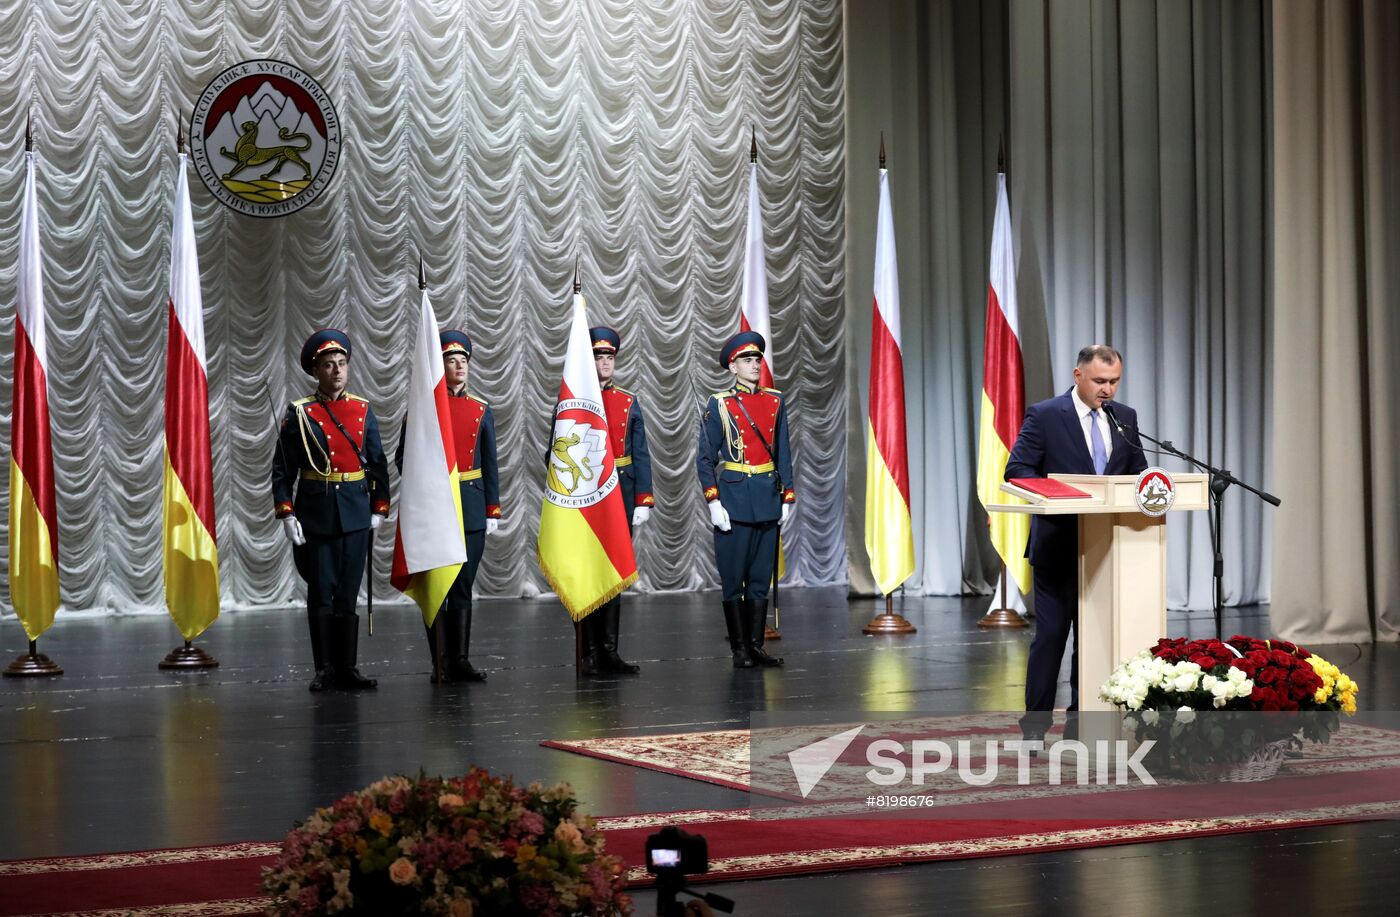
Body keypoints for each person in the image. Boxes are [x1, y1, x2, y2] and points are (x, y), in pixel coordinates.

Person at [1004, 344, 1149, 737]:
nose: (1108, 390)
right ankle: (1034, 727)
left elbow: (1138, 473)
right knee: (1052, 639)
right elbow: (1018, 470)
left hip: (1107, 551)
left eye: (1115, 381)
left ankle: (1080, 723)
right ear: (1078, 376)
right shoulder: (1047, 415)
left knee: (1093, 643)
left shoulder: (1125, 418)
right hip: (1058, 548)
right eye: (1100, 381)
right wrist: (1063, 492)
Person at [271, 329, 390, 692]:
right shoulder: (301, 413)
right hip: (317, 514)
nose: (337, 371)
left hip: (355, 512)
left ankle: (348, 668)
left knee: (348, 593)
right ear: (316, 371)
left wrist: (380, 508)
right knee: (322, 593)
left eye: (341, 364)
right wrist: (287, 514)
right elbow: (282, 469)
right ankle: (324, 669)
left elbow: (378, 464)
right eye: (328, 365)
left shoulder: (362, 409)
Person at [394, 330, 501, 682]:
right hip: (435, 508)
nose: (459, 367)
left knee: (462, 586)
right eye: (451, 362)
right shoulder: (422, 411)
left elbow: (489, 463)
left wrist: (492, 509)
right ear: (439, 368)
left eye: (463, 361)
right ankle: (439, 660)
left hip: (469, 507)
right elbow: (402, 459)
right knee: (438, 584)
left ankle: (461, 660)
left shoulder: (481, 410)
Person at [696, 331, 794, 669]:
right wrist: (713, 502)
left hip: (767, 497)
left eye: (756, 360)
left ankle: (755, 647)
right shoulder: (720, 403)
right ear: (733, 367)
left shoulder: (775, 401)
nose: (754, 365)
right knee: (733, 578)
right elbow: (705, 458)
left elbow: (783, 452)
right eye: (747, 361)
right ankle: (739, 649)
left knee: (759, 578)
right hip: (735, 500)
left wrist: (787, 496)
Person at [580, 326, 653, 676]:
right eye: (598, 356)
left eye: (609, 357)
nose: (605, 362)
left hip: (621, 496)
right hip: (587, 498)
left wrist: (643, 499)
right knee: (588, 574)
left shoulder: (627, 401)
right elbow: (555, 453)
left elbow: (641, 453)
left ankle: (609, 650)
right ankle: (589, 652)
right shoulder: (575, 402)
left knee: (614, 573)